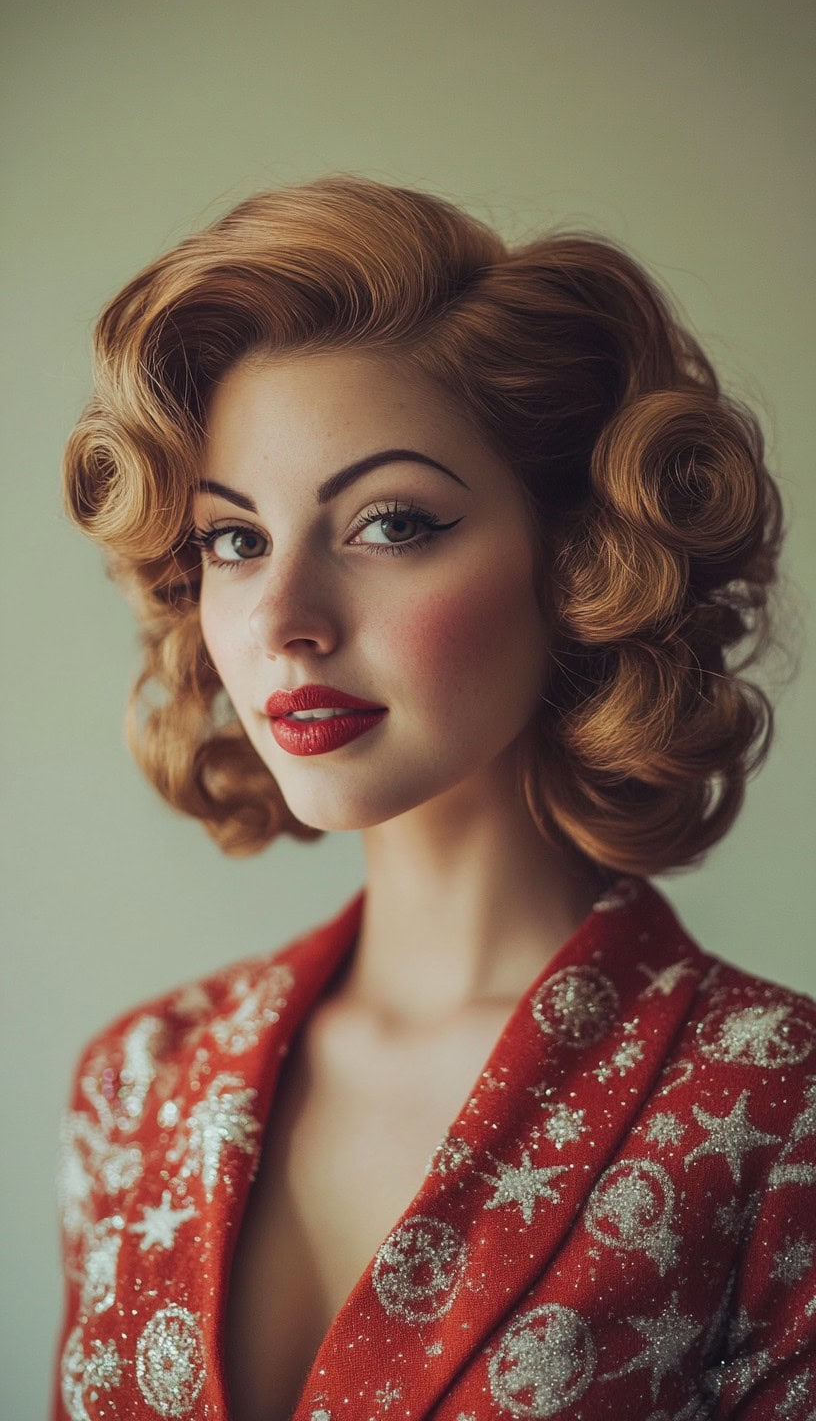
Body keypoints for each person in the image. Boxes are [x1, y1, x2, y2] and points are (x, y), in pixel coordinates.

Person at [52, 174, 816, 1421]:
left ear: (578, 556)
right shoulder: (138, 1082)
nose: (288, 618)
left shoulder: (773, 1108)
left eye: (391, 522)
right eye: (235, 539)